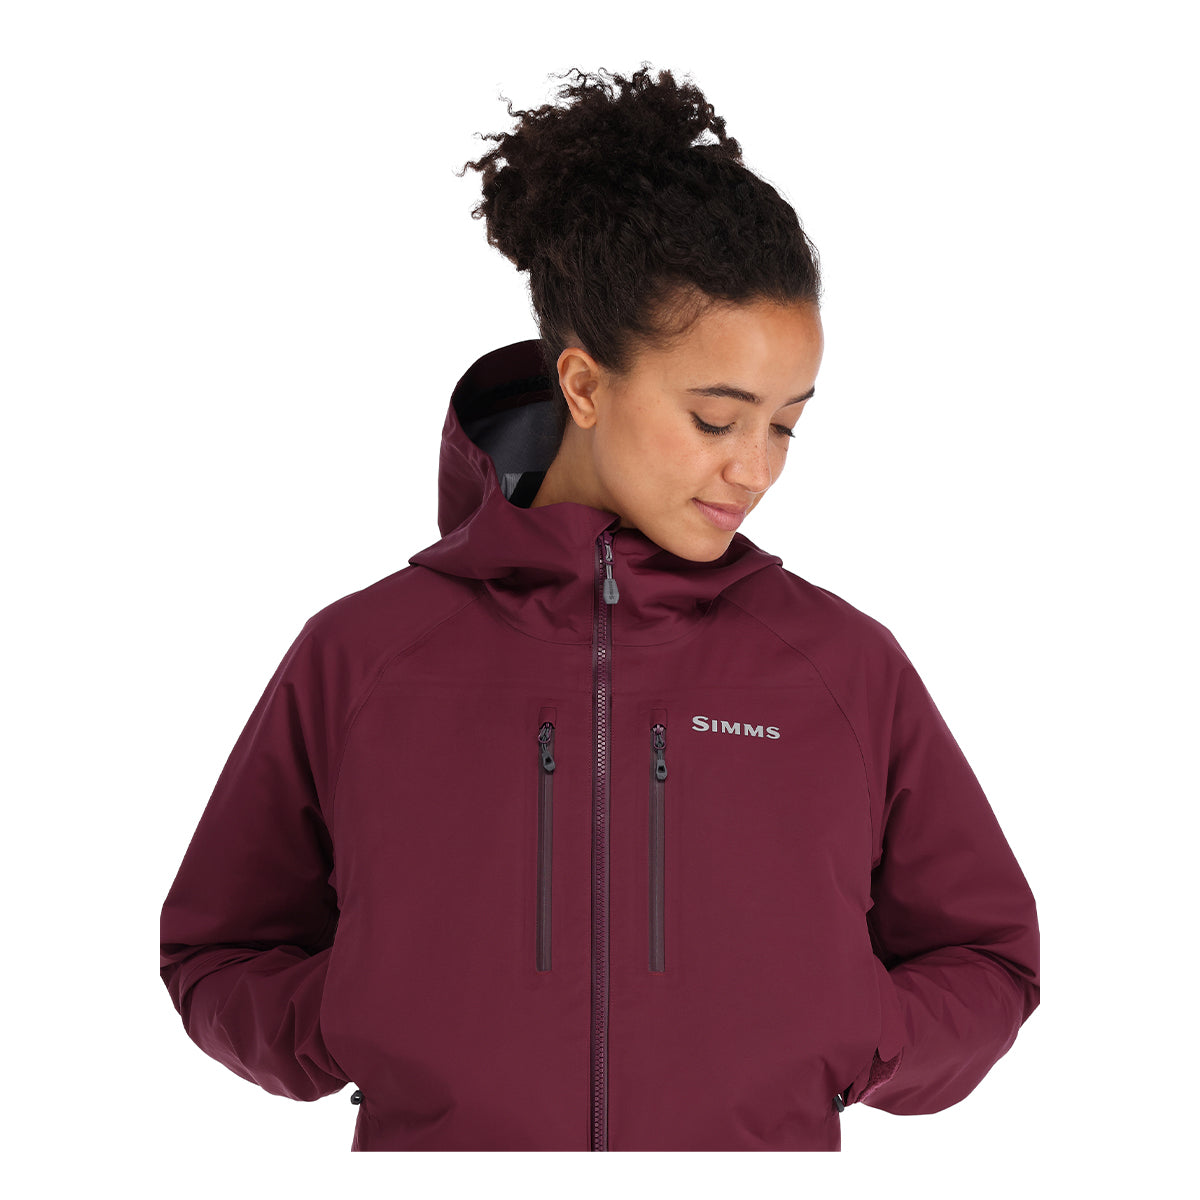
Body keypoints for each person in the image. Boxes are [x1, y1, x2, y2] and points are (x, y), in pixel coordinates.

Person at [159, 64, 1040, 1152]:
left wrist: (855, 1031)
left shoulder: (840, 665)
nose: (755, 468)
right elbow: (219, 947)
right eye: (716, 418)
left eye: (785, 425)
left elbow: (987, 956)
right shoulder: (365, 653)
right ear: (582, 385)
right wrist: (355, 1020)